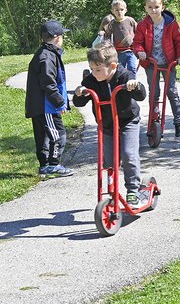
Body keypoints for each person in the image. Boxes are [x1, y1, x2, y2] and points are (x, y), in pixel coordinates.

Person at [73, 43, 149, 206]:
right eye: (92, 69)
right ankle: (111, 188)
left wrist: (134, 86)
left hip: (128, 121)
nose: (94, 73)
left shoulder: (124, 76)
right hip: (107, 124)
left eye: (98, 69)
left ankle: (133, 190)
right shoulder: (92, 80)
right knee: (108, 161)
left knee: (129, 154)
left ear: (113, 66)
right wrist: (79, 93)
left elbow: (141, 95)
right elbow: (79, 102)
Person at [132, 0, 180, 140]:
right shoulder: (143, 25)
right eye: (150, 7)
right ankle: (153, 122)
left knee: (171, 92)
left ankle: (179, 123)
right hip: (151, 63)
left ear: (162, 7)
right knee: (154, 93)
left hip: (169, 62)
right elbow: (137, 43)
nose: (154, 10)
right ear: (146, 8)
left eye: (157, 7)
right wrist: (140, 52)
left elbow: (179, 42)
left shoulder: (171, 23)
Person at [24, 20, 75, 178]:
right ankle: (53, 164)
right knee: (58, 134)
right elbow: (48, 84)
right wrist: (60, 102)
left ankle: (44, 165)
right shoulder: (47, 57)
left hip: (39, 105)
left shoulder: (46, 53)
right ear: (57, 37)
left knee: (43, 135)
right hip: (46, 106)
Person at [99, 0, 138, 78]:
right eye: (116, 10)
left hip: (131, 50)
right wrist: (103, 33)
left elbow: (138, 32)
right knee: (120, 69)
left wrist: (139, 45)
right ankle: (122, 84)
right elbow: (108, 36)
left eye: (121, 10)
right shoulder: (112, 23)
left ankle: (133, 83)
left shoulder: (130, 20)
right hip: (119, 51)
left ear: (125, 10)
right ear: (112, 11)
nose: (119, 12)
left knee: (132, 67)